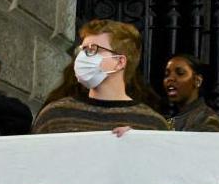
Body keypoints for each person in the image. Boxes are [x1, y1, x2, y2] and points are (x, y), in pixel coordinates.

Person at [33, 20, 169, 134]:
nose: (82, 57)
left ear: (120, 62)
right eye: (82, 50)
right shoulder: (55, 115)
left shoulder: (152, 124)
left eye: (93, 50)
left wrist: (135, 143)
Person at [162, 54, 219, 132]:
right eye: (166, 75)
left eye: (180, 73)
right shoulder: (172, 119)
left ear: (197, 80)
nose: (170, 79)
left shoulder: (208, 120)